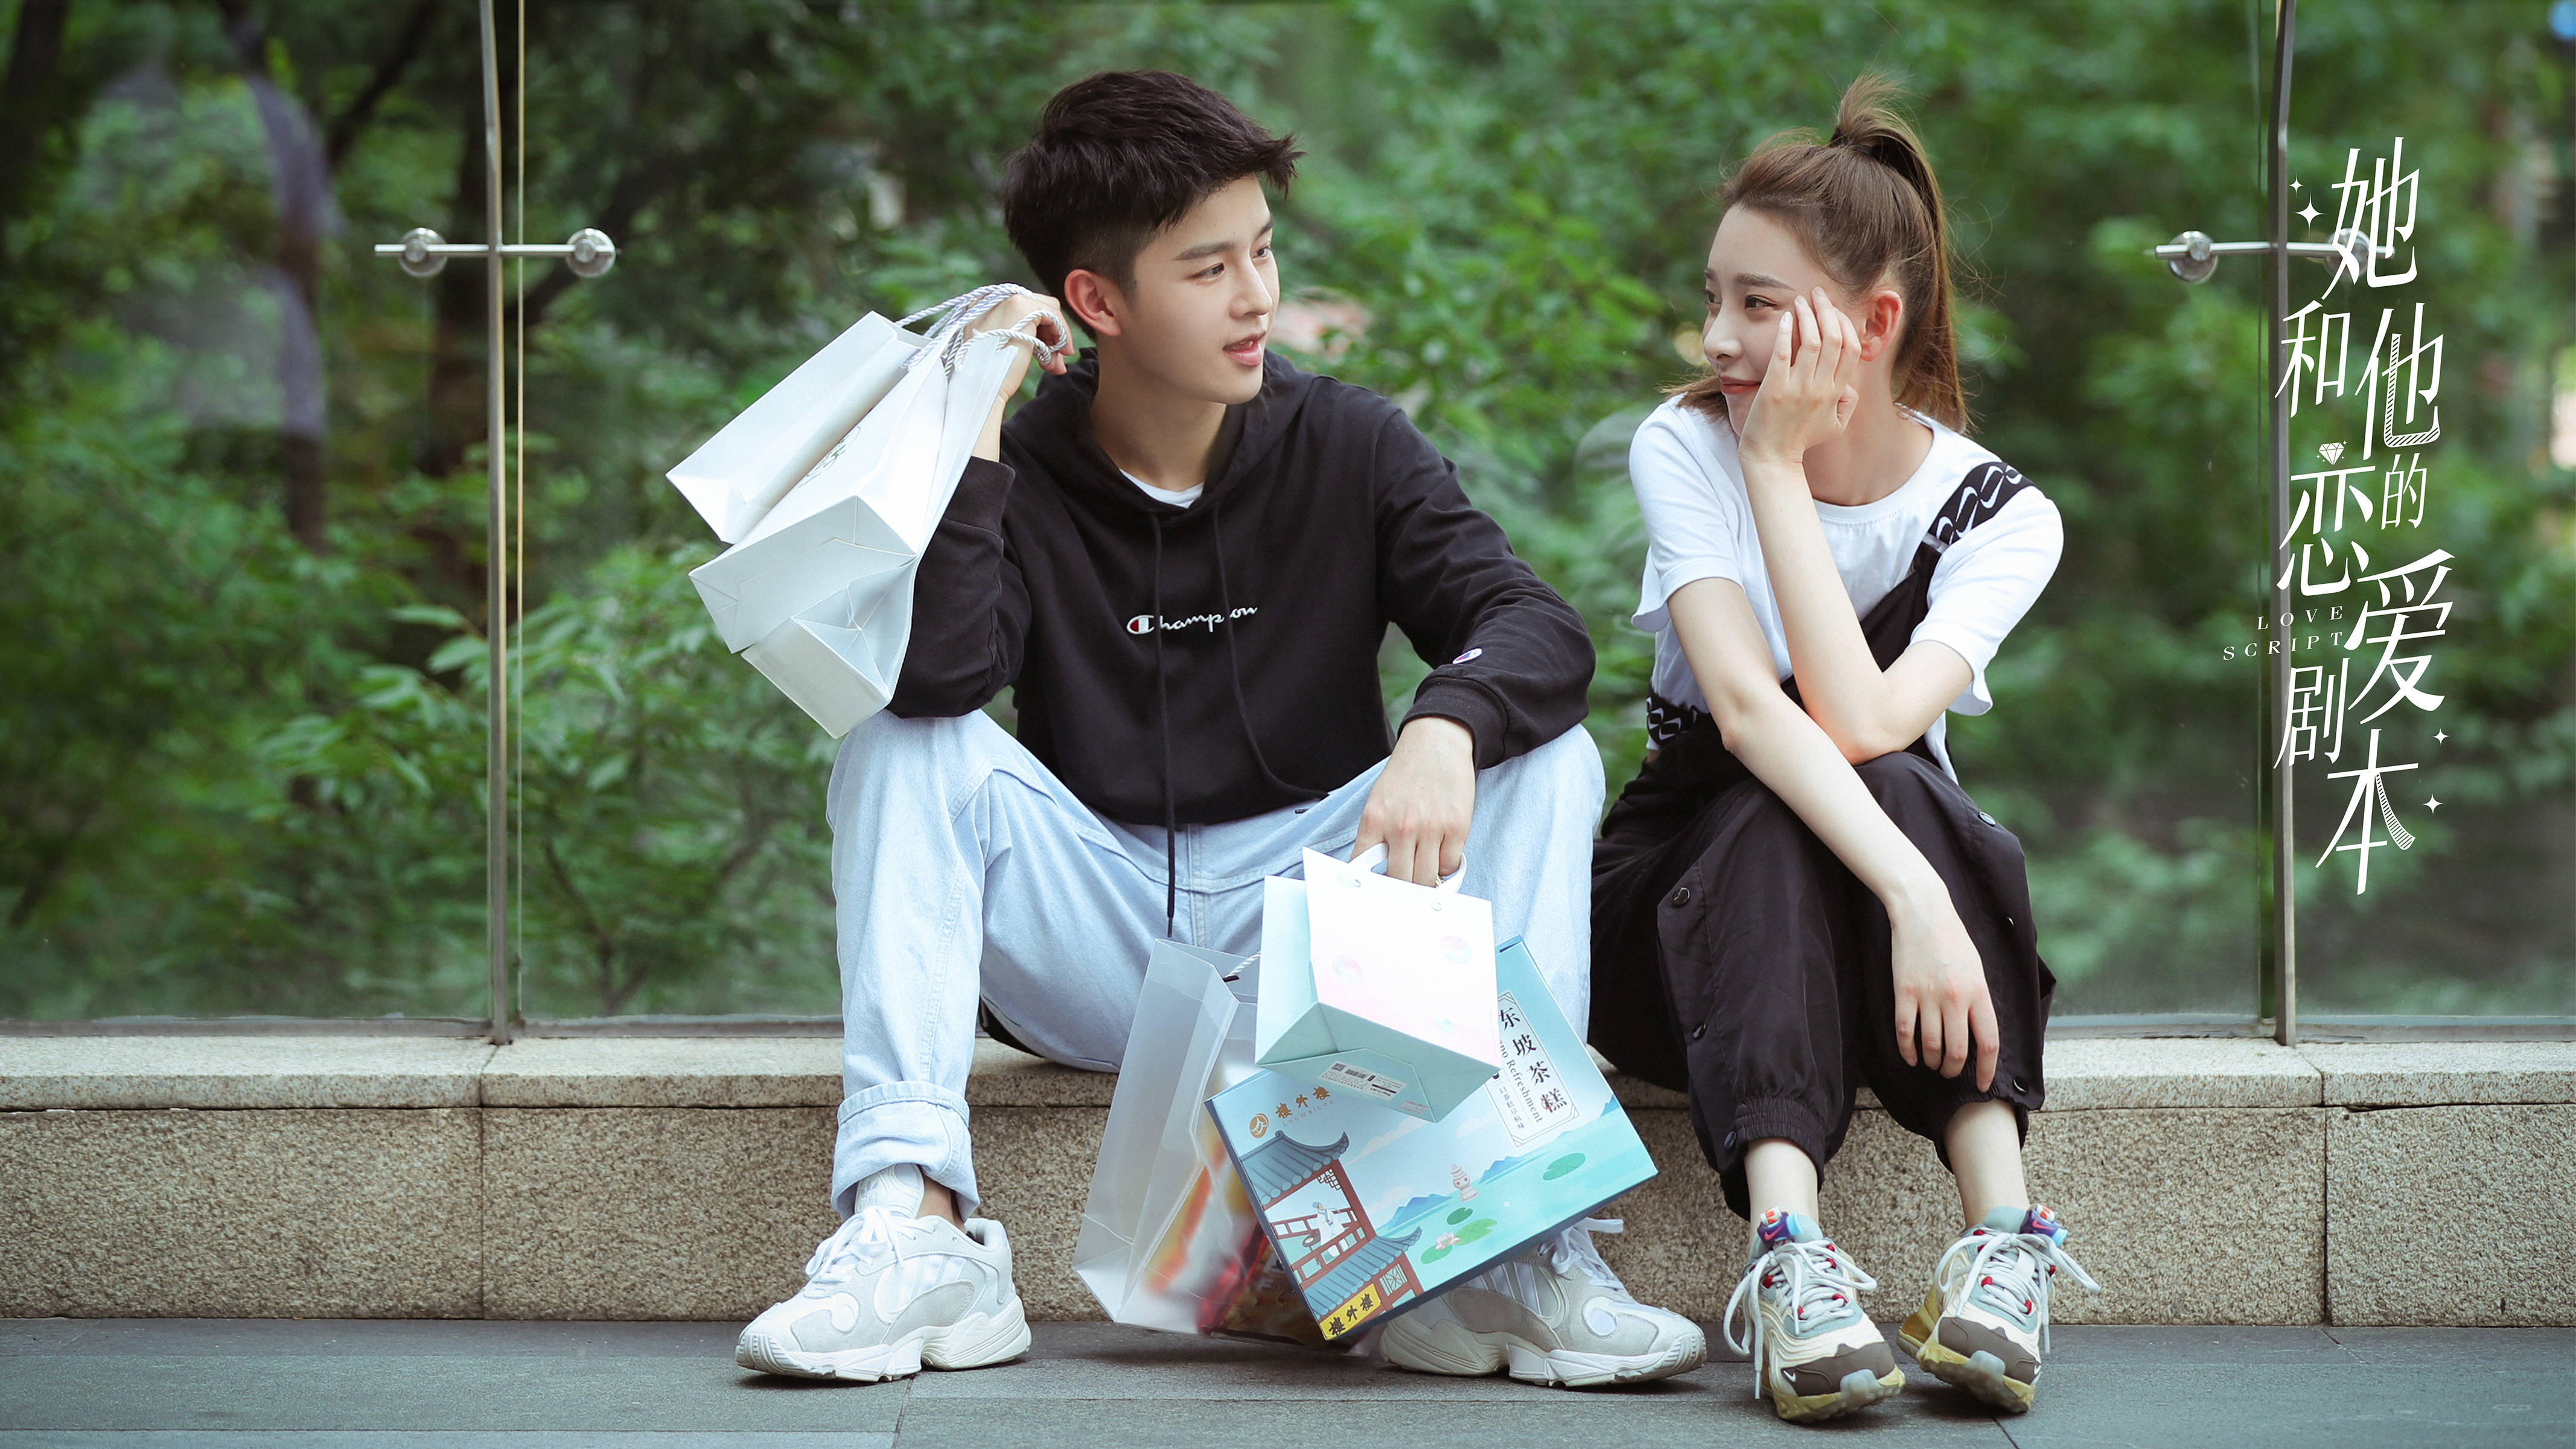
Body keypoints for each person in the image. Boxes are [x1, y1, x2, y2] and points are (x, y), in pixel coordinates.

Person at [735, 69, 1704, 1389]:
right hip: (1098, 932)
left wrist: (1443, 725)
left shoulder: (1347, 442)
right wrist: (975, 424)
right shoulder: (1021, 472)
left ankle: (1505, 1249)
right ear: (1097, 302)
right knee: (898, 745)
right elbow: (942, 680)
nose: (1257, 297)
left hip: (1319, 932)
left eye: (1262, 251)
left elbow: (1533, 624)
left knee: (1542, 751)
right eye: (1208, 269)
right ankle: (916, 1225)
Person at [1588, 75, 2100, 1425]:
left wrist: (1912, 892)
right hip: (1679, 911)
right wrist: (1770, 467)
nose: (1718, 336)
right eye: (1715, 297)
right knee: (1784, 803)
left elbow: (1868, 722)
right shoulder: (1688, 446)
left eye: (1759, 305)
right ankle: (1790, 1258)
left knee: (1895, 781)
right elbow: (1753, 716)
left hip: (1879, 921)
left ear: (1872, 326)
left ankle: (2003, 1246)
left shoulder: (2003, 517)